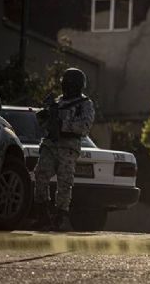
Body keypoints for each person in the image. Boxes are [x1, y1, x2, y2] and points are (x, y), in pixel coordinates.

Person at [32, 68, 95, 231]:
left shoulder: (84, 104)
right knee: (40, 175)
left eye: (71, 85)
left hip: (68, 147)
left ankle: (60, 215)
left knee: (65, 181)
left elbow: (85, 126)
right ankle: (43, 214)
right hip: (50, 145)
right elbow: (44, 125)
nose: (68, 88)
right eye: (66, 84)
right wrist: (46, 117)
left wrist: (62, 124)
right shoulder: (57, 102)